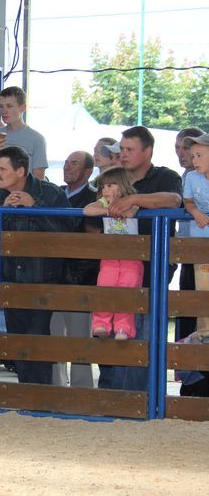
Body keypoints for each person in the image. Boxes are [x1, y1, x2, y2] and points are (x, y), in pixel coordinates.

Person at [102, 125, 182, 391]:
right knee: (113, 331)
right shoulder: (113, 178)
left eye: (129, 150)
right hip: (115, 266)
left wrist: (134, 199)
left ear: (147, 151)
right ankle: (114, 395)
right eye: (121, 149)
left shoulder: (165, 176)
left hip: (152, 266)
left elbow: (173, 199)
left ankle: (138, 398)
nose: (123, 154)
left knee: (143, 332)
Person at [0, 146, 73, 385]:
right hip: (11, 281)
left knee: (37, 338)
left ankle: (39, 394)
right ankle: (26, 392)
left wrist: (35, 208)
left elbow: (69, 233)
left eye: (2, 169)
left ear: (21, 170)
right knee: (18, 341)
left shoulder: (51, 194)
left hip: (44, 281)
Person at [52, 151, 99, 387]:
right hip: (53, 274)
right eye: (67, 162)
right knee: (54, 335)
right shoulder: (55, 193)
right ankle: (56, 389)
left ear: (88, 171)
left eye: (74, 164)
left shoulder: (95, 197)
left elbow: (93, 236)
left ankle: (83, 390)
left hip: (80, 275)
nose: (67, 167)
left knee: (80, 337)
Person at [83, 167, 143, 340]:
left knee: (127, 290)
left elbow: (130, 213)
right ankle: (101, 324)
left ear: (123, 185)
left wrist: (118, 208)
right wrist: (107, 210)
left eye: (110, 185)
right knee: (104, 286)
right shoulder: (104, 202)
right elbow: (87, 210)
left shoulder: (131, 201)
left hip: (130, 258)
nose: (106, 190)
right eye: (103, 187)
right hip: (109, 257)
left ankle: (123, 328)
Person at [174, 127, 203, 342]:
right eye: (178, 148)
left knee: (201, 307)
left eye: (187, 149)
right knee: (187, 308)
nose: (182, 153)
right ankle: (187, 368)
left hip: (199, 249)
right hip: (188, 251)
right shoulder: (188, 177)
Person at [0, 86, 47, 180]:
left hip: (23, 193)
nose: (3, 111)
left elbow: (39, 181)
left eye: (9, 106)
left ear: (23, 108)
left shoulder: (37, 139)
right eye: (1, 106)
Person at [182, 132, 209, 343]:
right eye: (193, 156)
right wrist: (195, 212)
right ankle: (205, 332)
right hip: (200, 242)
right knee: (203, 287)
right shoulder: (191, 178)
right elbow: (188, 202)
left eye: (199, 155)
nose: (194, 161)